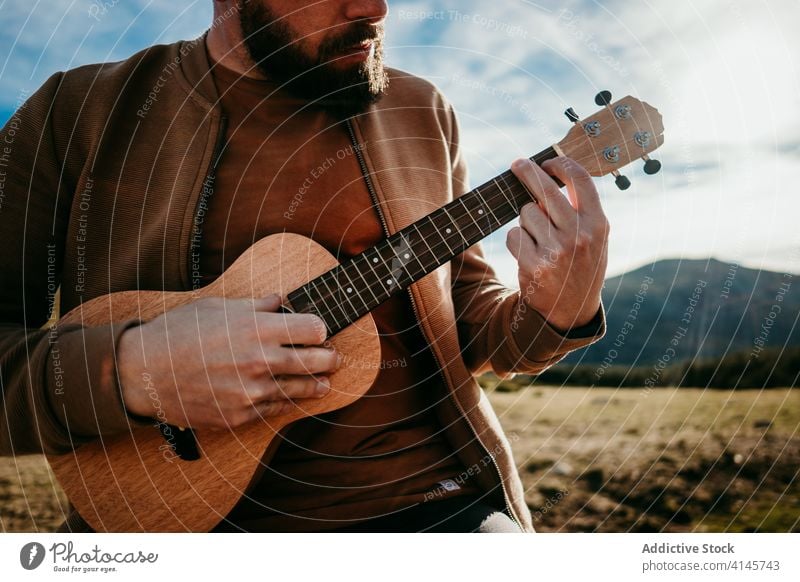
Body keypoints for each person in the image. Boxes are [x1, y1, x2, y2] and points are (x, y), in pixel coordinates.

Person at [0, 0, 608, 533]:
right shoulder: (76, 115)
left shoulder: (423, 110)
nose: (375, 7)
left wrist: (557, 309)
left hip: (442, 505)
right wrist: (130, 372)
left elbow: (466, 317)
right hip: (183, 530)